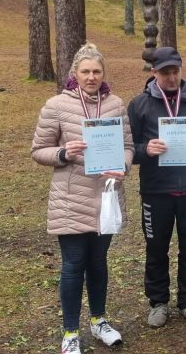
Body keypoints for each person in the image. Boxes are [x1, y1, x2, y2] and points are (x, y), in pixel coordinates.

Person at [31, 43, 133, 354]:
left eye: (96, 71)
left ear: (104, 74)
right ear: (74, 73)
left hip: (106, 197)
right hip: (71, 199)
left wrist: (123, 165)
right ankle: (70, 333)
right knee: (74, 265)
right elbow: (38, 150)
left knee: (99, 263)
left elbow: (128, 147)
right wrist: (63, 153)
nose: (91, 77)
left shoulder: (116, 105)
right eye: (85, 71)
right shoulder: (56, 106)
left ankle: (99, 320)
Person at [127, 46, 186, 326]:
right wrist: (146, 149)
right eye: (165, 72)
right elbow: (127, 147)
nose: (171, 78)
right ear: (154, 72)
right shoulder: (139, 105)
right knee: (156, 248)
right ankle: (158, 302)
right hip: (155, 191)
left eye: (175, 71)